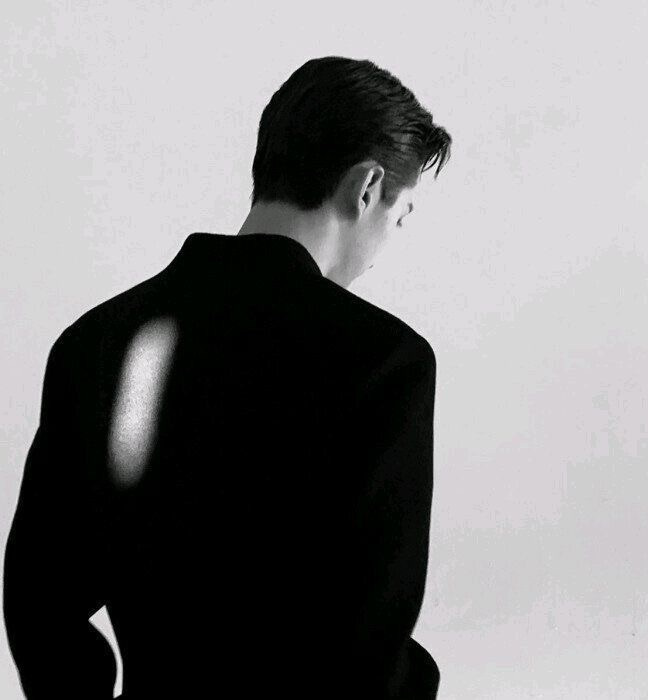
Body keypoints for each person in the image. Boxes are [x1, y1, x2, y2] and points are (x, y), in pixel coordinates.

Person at [3, 55, 452, 699]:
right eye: (400, 215)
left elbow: (40, 599)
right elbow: (367, 645)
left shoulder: (95, 342)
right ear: (367, 186)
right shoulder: (385, 360)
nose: (387, 246)